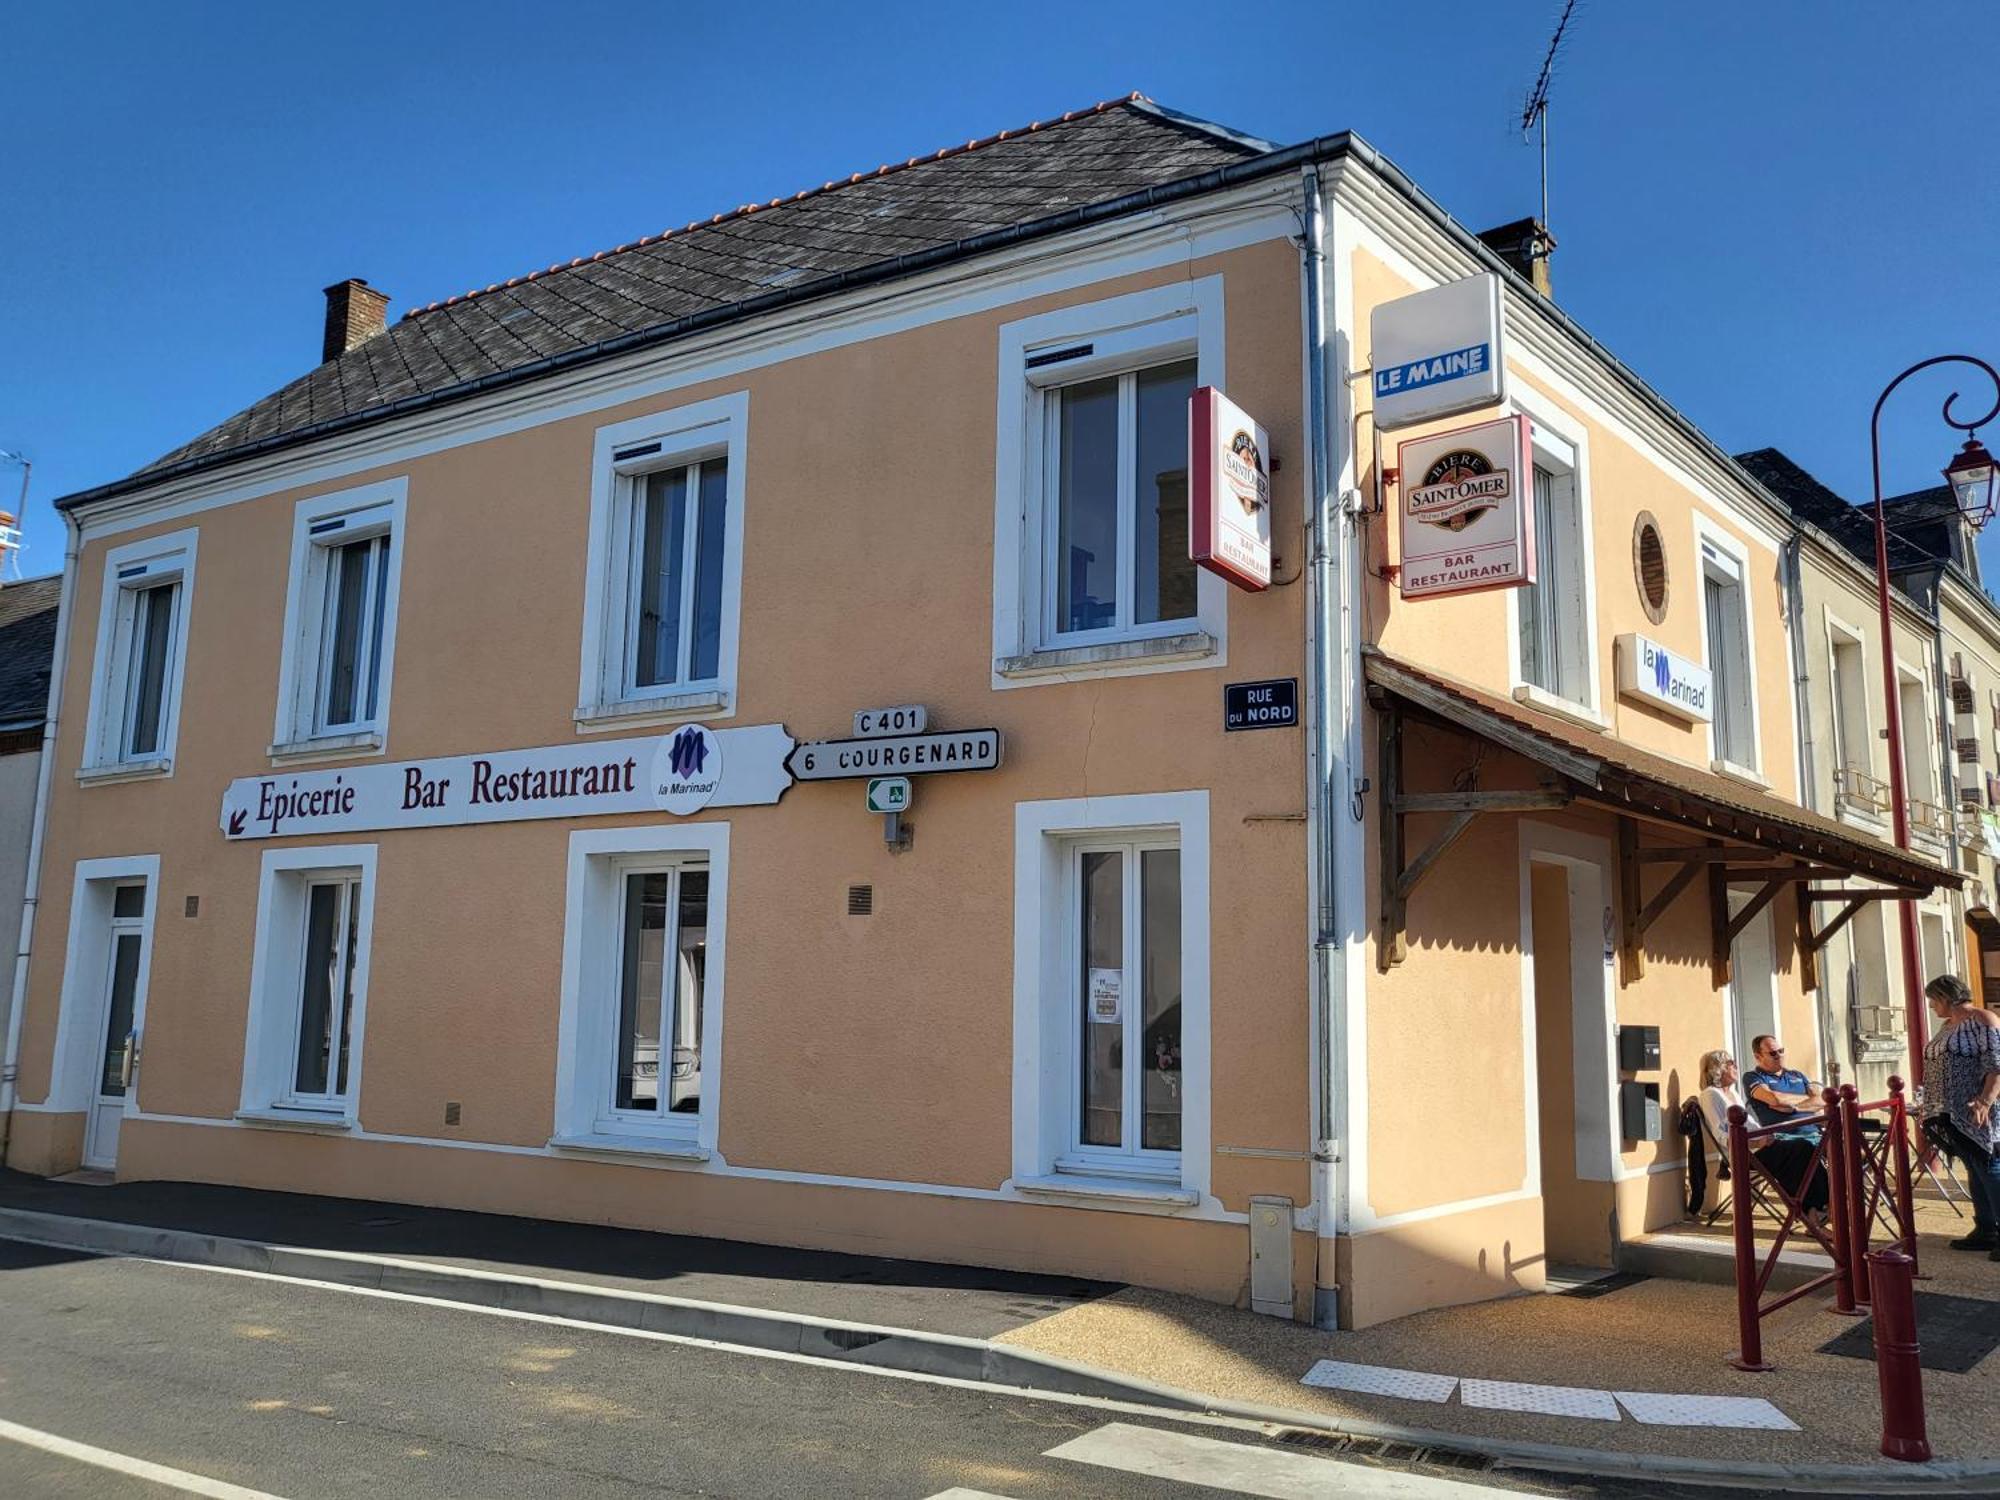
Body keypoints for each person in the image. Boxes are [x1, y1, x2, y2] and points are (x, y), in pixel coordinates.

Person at [1920, 975, 2000, 1258]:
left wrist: (1984, 1102)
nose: (1931, 1005)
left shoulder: (1983, 1020)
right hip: (1949, 1111)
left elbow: (1996, 1064)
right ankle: (1986, 1229)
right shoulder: (1946, 1026)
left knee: (1988, 1164)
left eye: (1933, 999)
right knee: (1974, 1167)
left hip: (1976, 1108)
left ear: (1945, 997)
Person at [1740, 1035, 1830, 1220]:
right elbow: (1774, 1099)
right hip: (1781, 1140)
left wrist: (1794, 1106)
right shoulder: (1753, 1077)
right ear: (1758, 1056)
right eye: (1773, 1053)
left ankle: (1839, 1207)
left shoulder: (1797, 1075)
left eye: (1781, 1051)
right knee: (1804, 1151)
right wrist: (1805, 1102)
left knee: (1847, 1148)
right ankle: (1820, 1210)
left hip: (1815, 1134)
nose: (1779, 1056)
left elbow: (1822, 1099)